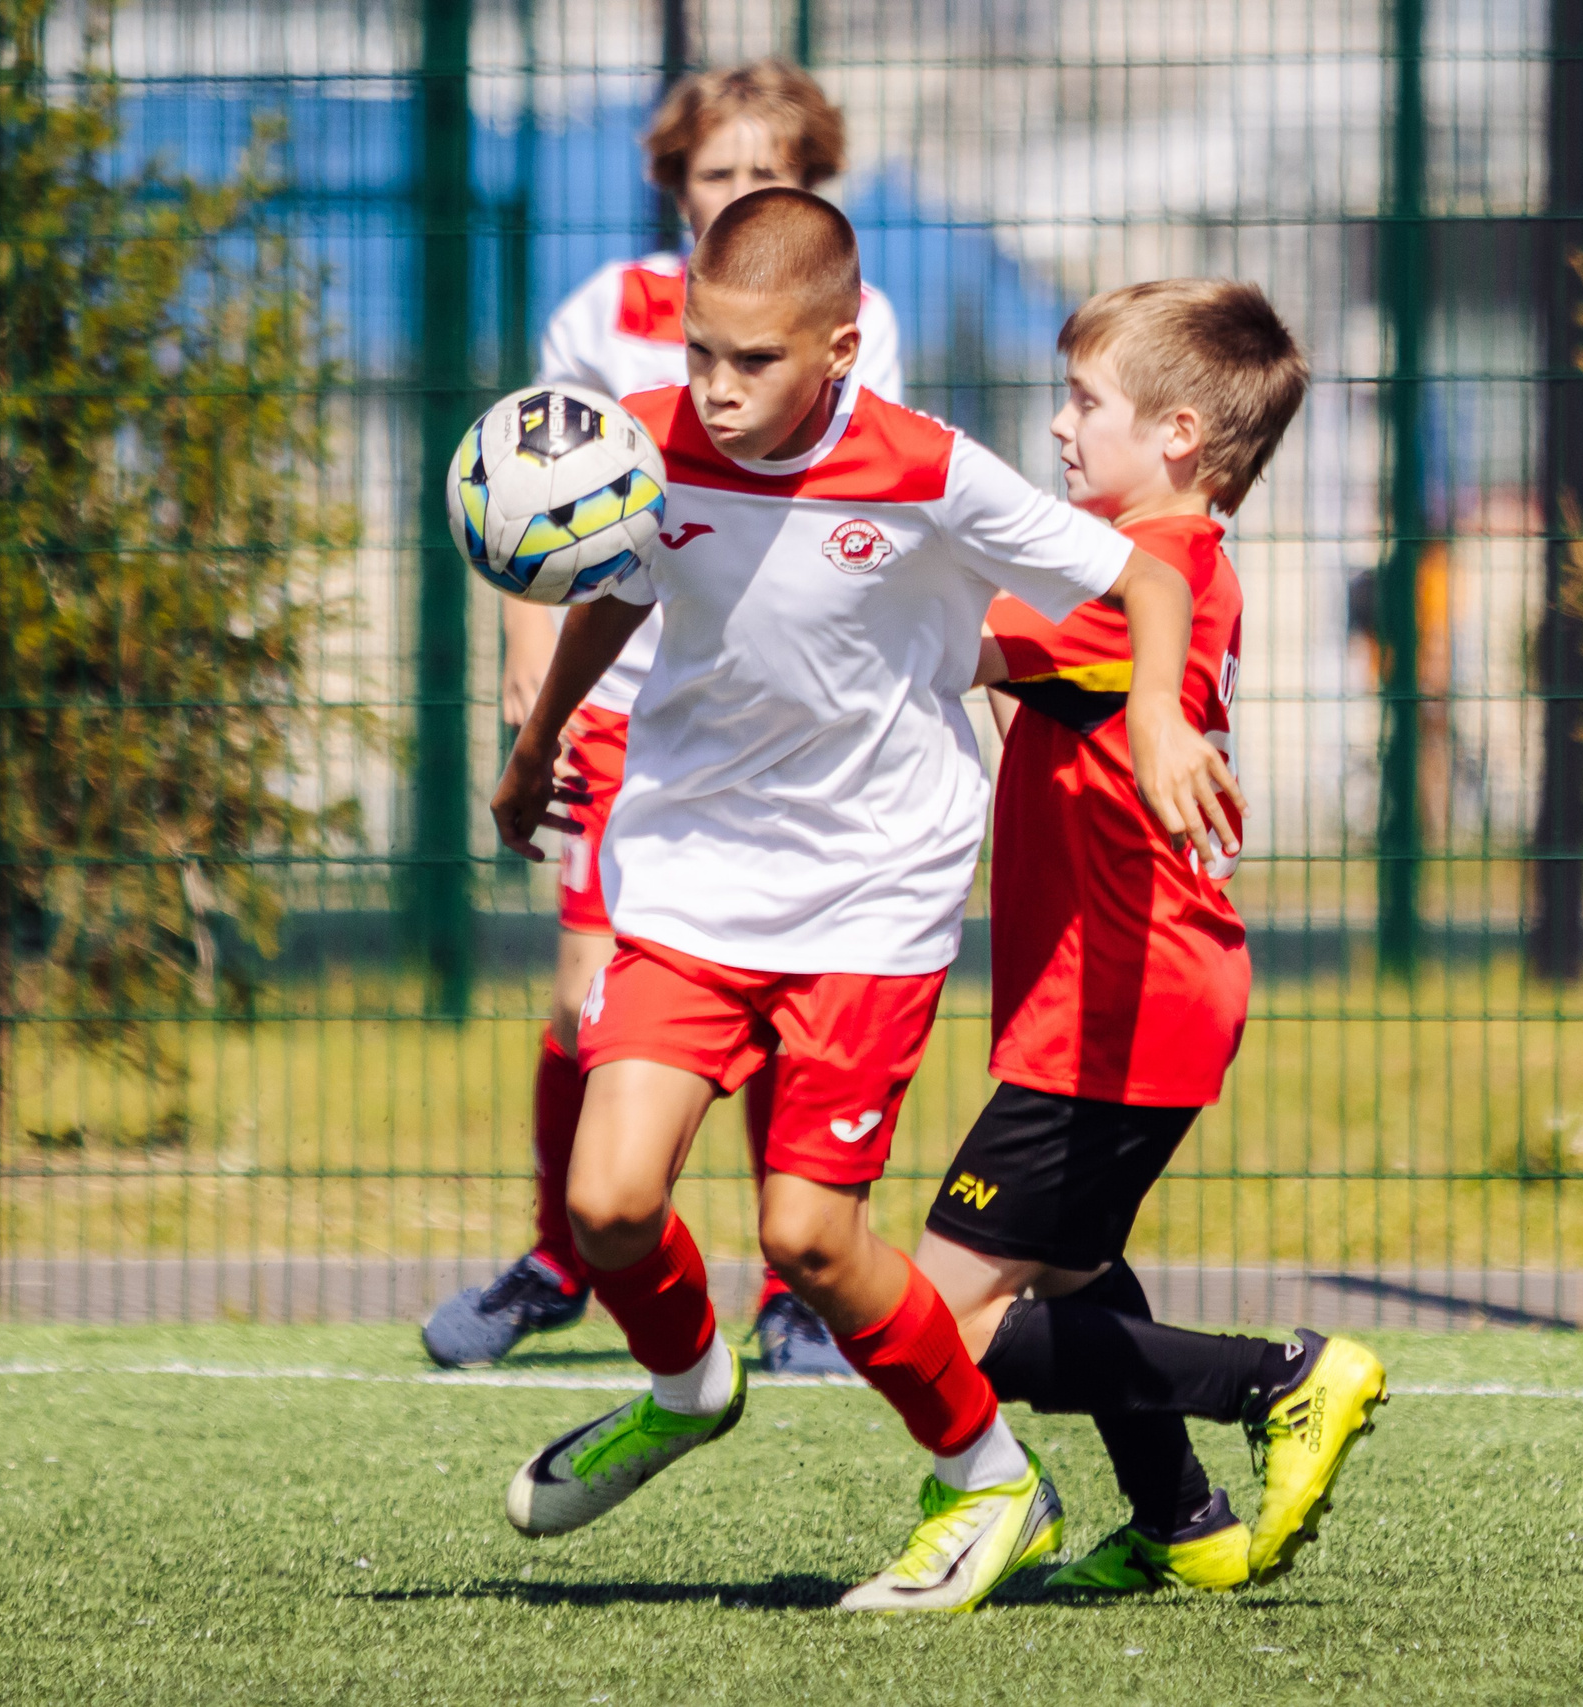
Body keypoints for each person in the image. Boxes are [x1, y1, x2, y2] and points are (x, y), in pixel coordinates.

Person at [489, 189, 1244, 1614]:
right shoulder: (653, 443)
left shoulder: (927, 469)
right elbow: (615, 582)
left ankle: (987, 1481)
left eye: (754, 362)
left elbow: (1143, 576)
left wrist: (1154, 714)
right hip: (691, 880)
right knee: (604, 1202)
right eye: (703, 352)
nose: (719, 387)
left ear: (841, 347)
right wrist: (534, 747)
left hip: (870, 902)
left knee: (810, 1242)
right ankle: (686, 1384)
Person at [423, 60, 901, 1376]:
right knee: (592, 1004)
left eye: (769, 172)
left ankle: (793, 1286)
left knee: (788, 993)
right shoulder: (608, 312)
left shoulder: (864, 319)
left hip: (773, 727)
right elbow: (543, 505)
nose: (739, 193)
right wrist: (534, 679)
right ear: (674, 187)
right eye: (715, 172)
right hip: (629, 714)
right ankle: (565, 1256)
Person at [915, 280, 1387, 1593]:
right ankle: (1183, 1520)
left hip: (1114, 1005)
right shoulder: (1180, 572)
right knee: (1070, 1266)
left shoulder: (1136, 581)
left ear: (1179, 433)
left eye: (1085, 403)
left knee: (931, 1315)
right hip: (1146, 991)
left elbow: (943, 650)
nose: (1060, 427)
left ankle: (1278, 1379)